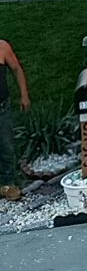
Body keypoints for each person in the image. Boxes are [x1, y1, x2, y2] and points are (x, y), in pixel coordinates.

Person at [0, 38, 30, 202]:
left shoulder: (2, 47)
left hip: (1, 108)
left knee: (6, 146)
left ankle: (8, 184)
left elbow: (17, 69)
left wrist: (24, 95)